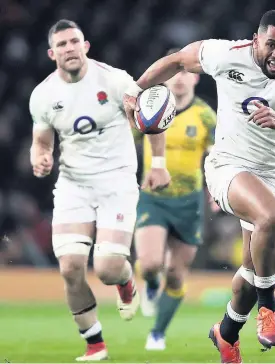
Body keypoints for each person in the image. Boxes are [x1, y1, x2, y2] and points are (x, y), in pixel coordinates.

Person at [122, 10, 275, 363]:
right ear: (257, 40)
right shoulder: (224, 54)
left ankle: (226, 334)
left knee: (252, 270)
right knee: (271, 218)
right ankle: (270, 307)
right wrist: (136, 89)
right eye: (272, 44)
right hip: (227, 165)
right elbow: (175, 60)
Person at [29, 20, 170, 361]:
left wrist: (158, 163)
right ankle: (95, 344)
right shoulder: (43, 95)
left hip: (116, 182)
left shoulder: (116, 80)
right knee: (70, 267)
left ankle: (125, 283)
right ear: (52, 54)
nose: (69, 48)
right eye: (61, 44)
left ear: (86, 45)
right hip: (73, 185)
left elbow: (150, 118)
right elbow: (41, 142)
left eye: (74, 41)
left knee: (106, 268)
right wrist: (41, 158)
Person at [132, 48, 217, 351]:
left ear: (195, 77)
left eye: (185, 73)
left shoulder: (206, 116)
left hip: (189, 201)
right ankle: (150, 285)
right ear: (165, 78)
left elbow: (216, 157)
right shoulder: (145, 110)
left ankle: (158, 332)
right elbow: (123, 145)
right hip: (154, 197)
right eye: (174, 73)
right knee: (151, 263)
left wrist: (216, 191)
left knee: (177, 275)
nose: (179, 79)